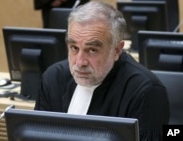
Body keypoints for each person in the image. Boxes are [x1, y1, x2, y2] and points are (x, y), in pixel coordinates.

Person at [34, 1, 169, 141]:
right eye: (74, 48)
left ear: (116, 50)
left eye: (92, 50)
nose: (80, 62)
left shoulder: (146, 92)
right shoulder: (53, 78)